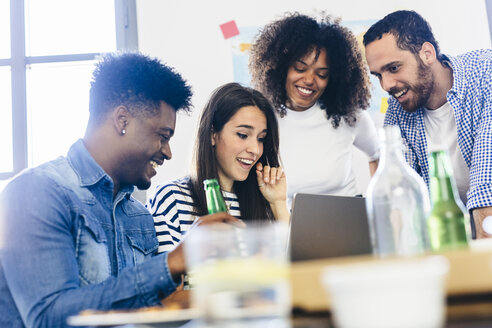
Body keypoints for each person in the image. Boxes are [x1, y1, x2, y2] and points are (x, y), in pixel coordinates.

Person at [0, 52, 243, 328]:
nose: (168, 152)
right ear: (122, 120)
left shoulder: (138, 216)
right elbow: (48, 318)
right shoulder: (37, 192)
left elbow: (149, 312)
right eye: (163, 136)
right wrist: (173, 261)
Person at [363, 10, 492, 239]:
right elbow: (399, 200)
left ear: (427, 53)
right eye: (378, 75)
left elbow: (487, 187)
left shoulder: (485, 73)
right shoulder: (398, 110)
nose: (386, 85)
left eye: (393, 68)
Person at [248, 12, 380, 207]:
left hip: (349, 221)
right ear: (281, 67)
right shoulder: (261, 118)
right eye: (300, 69)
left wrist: (379, 206)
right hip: (290, 226)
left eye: (322, 74)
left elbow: (378, 156)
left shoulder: (349, 115)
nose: (309, 80)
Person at [146, 82, 289, 253]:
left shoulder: (263, 202)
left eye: (261, 139)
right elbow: (164, 276)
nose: (255, 149)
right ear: (213, 134)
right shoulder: (171, 198)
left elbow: (299, 270)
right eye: (243, 135)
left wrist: (279, 203)